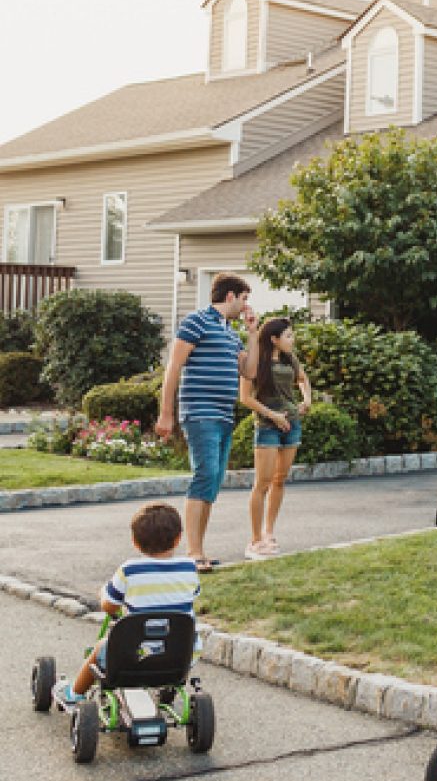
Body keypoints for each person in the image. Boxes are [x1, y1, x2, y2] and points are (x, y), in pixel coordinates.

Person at [156, 272, 259, 572]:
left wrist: (253, 335)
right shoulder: (196, 321)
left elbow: (249, 372)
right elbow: (173, 367)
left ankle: (199, 549)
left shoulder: (230, 332)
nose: (245, 306)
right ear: (230, 297)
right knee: (204, 475)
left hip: (224, 414)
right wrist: (166, 413)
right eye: (244, 299)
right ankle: (193, 552)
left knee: (212, 480)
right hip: (200, 412)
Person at [53, 502, 200, 708]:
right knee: (177, 632)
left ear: (135, 542)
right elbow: (192, 595)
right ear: (178, 538)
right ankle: (168, 686)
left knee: (99, 650)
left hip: (136, 653)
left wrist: (104, 594)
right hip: (181, 653)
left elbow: (109, 607)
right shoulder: (189, 567)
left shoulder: (130, 570)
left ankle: (74, 694)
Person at [239, 317, 312, 561]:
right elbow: (245, 397)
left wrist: (307, 400)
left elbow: (303, 379)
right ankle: (255, 539)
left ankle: (269, 532)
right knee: (263, 483)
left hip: (292, 424)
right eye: (288, 336)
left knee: (280, 480)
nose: (293, 340)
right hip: (268, 426)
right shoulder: (256, 360)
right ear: (274, 338)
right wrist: (273, 416)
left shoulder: (290, 359)